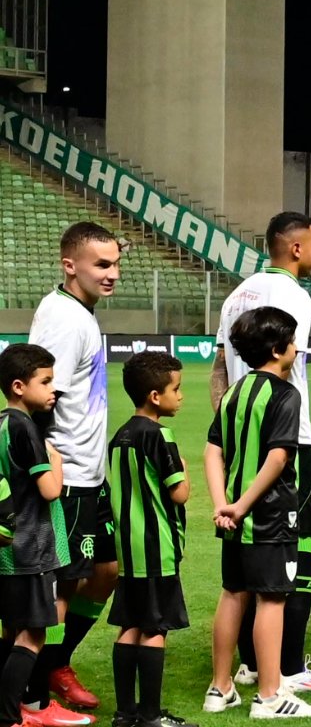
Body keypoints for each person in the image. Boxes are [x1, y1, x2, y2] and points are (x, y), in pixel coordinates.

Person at [211, 212, 311, 694]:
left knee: (246, 557)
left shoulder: (236, 295)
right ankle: (288, 667)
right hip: (291, 440)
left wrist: (231, 434)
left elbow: (220, 373)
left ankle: (250, 664)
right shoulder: (292, 297)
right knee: (298, 547)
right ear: (294, 249)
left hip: (241, 437)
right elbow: (284, 372)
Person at [202, 307, 311, 719]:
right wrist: (245, 504)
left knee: (233, 593)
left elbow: (212, 450)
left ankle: (220, 688)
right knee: (272, 599)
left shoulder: (234, 392)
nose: (297, 347)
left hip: (236, 516)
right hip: (269, 516)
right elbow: (278, 457)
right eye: (292, 341)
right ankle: (270, 695)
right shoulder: (286, 394)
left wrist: (224, 502)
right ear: (277, 349)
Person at [26, 221, 121, 722]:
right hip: (68, 478)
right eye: (102, 265)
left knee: (104, 572)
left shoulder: (80, 312)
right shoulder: (65, 319)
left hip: (90, 474)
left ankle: (56, 664)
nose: (113, 274)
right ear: (71, 265)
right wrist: (47, 465)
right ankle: (35, 693)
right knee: (62, 586)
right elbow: (41, 395)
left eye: (116, 263)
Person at [107, 352, 195, 727]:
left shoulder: (120, 434)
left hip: (128, 550)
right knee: (155, 626)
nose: (181, 396)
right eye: (177, 389)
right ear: (156, 396)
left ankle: (125, 713)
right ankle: (152, 715)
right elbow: (179, 493)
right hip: (157, 547)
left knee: (130, 624)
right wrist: (186, 472)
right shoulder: (160, 436)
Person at [0, 344, 67, 727]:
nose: (52, 389)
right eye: (45, 382)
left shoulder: (2, 423)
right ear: (19, 386)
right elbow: (49, 490)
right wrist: (55, 462)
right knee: (33, 634)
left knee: (12, 631)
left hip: (9, 547)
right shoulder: (25, 427)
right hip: (31, 548)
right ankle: (9, 715)